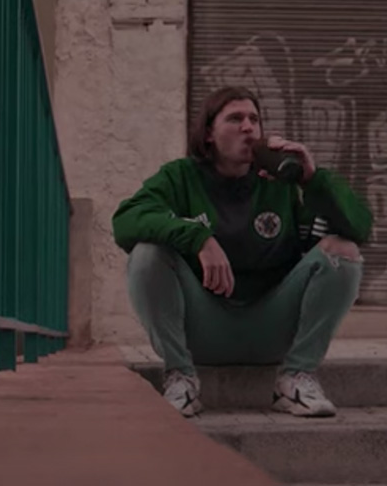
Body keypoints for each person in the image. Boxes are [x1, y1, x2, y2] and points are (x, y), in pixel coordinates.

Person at [112, 86, 373, 418]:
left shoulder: (282, 183)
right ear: (209, 133)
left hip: (272, 329)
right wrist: (197, 238)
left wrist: (313, 180)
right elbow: (126, 220)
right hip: (202, 331)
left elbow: (360, 228)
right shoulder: (180, 177)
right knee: (147, 254)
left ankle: (296, 377)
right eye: (235, 119)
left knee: (342, 251)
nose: (248, 127)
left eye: (254, 119)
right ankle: (181, 378)